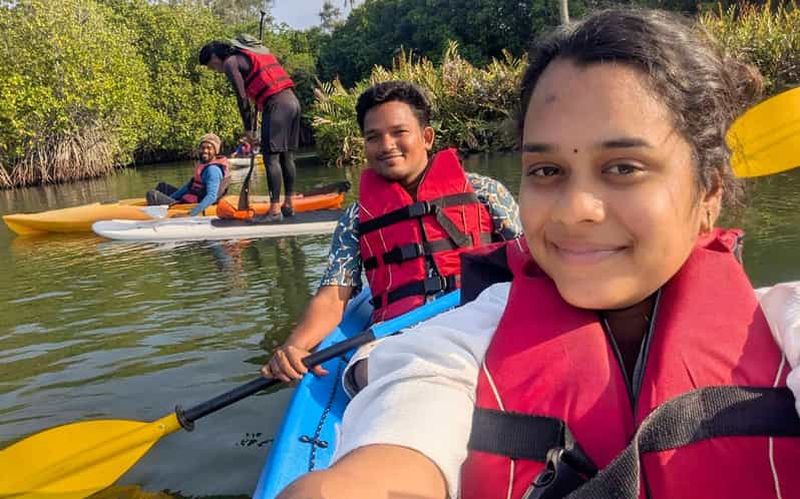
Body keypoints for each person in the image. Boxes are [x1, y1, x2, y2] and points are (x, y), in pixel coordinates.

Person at [278, 9, 800, 499]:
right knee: (374, 368)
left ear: (709, 191)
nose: (573, 211)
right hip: (405, 328)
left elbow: (514, 246)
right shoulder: (450, 341)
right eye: (546, 171)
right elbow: (403, 419)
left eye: (624, 168)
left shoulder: (784, 324)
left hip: (454, 303)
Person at [262, 81, 522, 396]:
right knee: (362, 371)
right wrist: (295, 346)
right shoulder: (355, 218)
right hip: (398, 336)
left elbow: (530, 261)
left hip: (477, 319)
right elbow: (333, 297)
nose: (386, 145)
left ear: (426, 138)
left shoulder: (485, 192)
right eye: (373, 137)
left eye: (399, 132)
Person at [199, 38, 300, 221]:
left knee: (271, 158)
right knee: (286, 156)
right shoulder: (248, 55)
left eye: (211, 66)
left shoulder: (230, 62)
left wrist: (248, 130)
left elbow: (241, 97)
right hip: (292, 102)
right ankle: (289, 204)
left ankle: (275, 210)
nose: (215, 70)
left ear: (215, 56)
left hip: (277, 105)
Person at [146, 133, 231, 217]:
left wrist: (190, 214)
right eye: (202, 148)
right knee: (162, 186)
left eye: (209, 148)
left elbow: (212, 197)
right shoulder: (204, 165)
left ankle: (155, 212)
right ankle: (165, 206)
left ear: (215, 151)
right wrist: (171, 201)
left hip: (195, 203)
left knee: (152, 195)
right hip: (192, 197)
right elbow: (188, 187)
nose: (205, 151)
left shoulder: (212, 170)